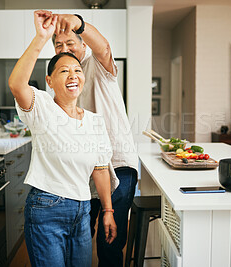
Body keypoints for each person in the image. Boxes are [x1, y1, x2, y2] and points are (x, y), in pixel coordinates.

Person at [8, 11, 117, 266]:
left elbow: (100, 169)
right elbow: (16, 84)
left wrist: (108, 212)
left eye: (77, 70)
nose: (73, 75)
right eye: (63, 70)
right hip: (47, 209)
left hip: (83, 210)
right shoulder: (41, 107)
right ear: (49, 80)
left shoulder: (94, 120)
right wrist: (41, 37)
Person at [51, 11, 139, 266]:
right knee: (80, 237)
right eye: (59, 45)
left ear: (83, 45)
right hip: (84, 169)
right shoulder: (60, 78)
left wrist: (78, 23)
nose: (64, 48)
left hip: (118, 163)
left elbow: (104, 46)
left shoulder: (98, 65)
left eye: (70, 43)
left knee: (110, 241)